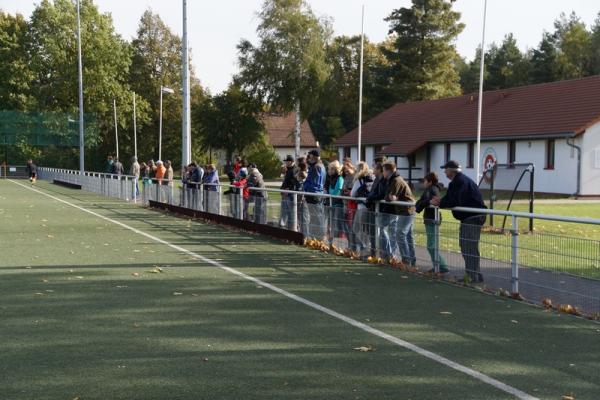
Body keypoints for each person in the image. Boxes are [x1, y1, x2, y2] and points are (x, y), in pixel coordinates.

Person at [431, 160, 487, 283]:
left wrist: (440, 203)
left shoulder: (459, 182)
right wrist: (441, 201)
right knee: (468, 246)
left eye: (446, 169)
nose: (444, 171)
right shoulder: (458, 182)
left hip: (473, 217)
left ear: (451, 170)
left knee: (468, 246)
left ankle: (472, 276)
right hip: (471, 217)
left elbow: (456, 200)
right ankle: (474, 274)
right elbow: (450, 198)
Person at [383, 162, 416, 266]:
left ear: (388, 171)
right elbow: (389, 196)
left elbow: (390, 197)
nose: (383, 172)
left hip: (406, 210)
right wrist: (389, 197)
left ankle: (406, 260)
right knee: (408, 236)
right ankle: (411, 260)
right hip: (405, 210)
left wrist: (389, 197)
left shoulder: (396, 180)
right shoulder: (394, 179)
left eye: (383, 170)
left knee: (400, 234)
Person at [416, 172, 449, 274]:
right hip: (429, 219)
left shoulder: (433, 190)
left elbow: (432, 202)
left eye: (425, 181)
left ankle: (441, 266)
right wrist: (425, 202)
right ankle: (438, 266)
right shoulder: (428, 190)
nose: (424, 183)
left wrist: (425, 203)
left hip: (433, 219)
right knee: (431, 244)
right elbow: (419, 203)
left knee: (431, 245)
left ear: (430, 182)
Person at [351, 162, 374, 255]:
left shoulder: (359, 180)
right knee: (368, 230)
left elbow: (352, 194)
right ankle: (369, 250)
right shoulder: (373, 178)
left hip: (362, 207)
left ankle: (363, 249)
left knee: (356, 229)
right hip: (372, 207)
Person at [302, 149, 326, 240]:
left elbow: (313, 183)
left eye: (310, 156)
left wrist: (304, 186)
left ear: (314, 157)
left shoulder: (316, 167)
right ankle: (316, 237)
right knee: (316, 217)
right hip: (316, 194)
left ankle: (318, 237)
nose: (309, 158)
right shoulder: (320, 166)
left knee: (316, 217)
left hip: (314, 195)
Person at [327, 160, 345, 240]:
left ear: (334, 169)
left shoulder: (340, 178)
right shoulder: (331, 178)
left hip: (338, 205)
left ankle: (337, 242)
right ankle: (331, 241)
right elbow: (330, 190)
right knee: (330, 223)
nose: (328, 171)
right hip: (332, 203)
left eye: (330, 169)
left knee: (338, 225)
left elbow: (337, 192)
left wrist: (330, 193)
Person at [280, 155, 296, 230]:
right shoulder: (288, 170)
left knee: (290, 213)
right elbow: (285, 182)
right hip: (286, 194)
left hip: (289, 195)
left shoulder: (293, 170)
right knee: (286, 211)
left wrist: (287, 190)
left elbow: (293, 183)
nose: (285, 163)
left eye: (287, 161)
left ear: (291, 162)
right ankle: (287, 226)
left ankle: (291, 228)